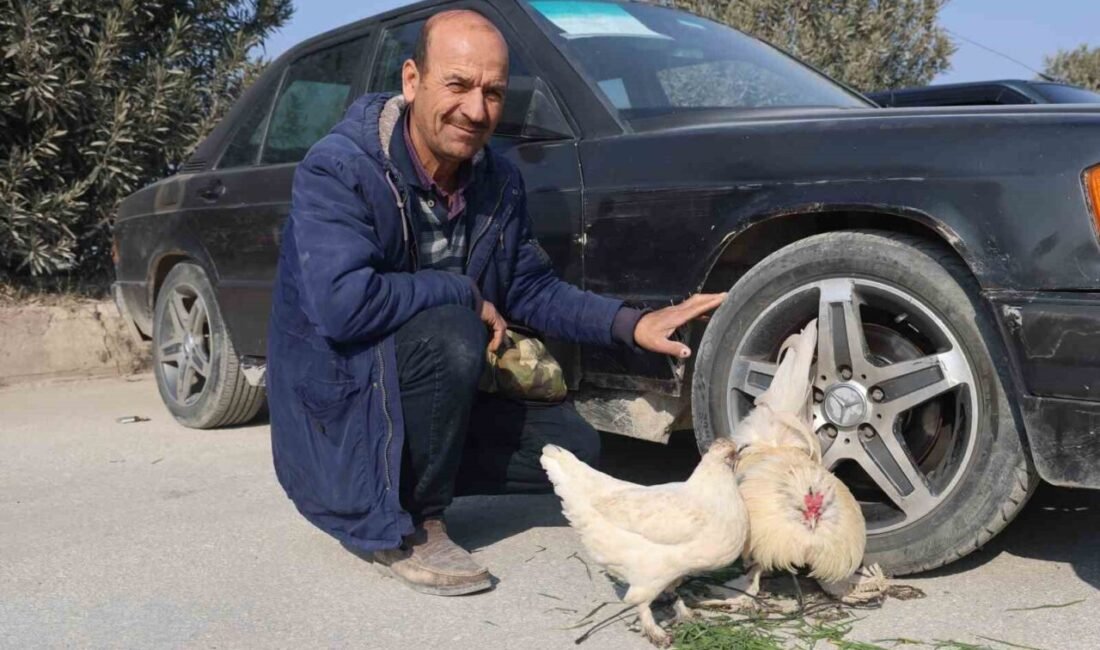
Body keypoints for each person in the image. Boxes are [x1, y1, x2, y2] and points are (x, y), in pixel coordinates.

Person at [267, 9, 725, 596]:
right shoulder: (341, 169)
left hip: (422, 392)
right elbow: (343, 304)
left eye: (493, 92)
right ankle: (413, 523)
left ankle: (401, 474)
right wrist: (461, 290)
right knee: (455, 330)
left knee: (573, 448)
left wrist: (631, 324)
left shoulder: (495, 180)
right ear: (413, 81)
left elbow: (530, 287)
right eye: (457, 85)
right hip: (349, 402)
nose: (477, 110)